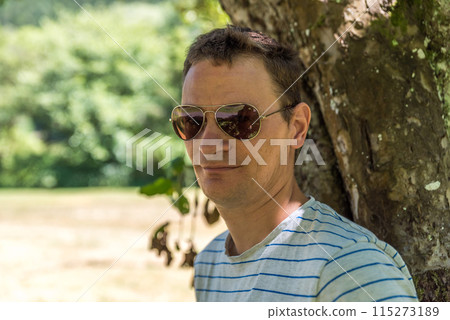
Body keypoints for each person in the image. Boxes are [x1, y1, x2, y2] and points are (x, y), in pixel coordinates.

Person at [170, 25, 418, 302]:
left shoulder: (349, 268)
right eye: (192, 120)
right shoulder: (210, 264)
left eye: (239, 119)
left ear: (297, 128)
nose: (208, 144)